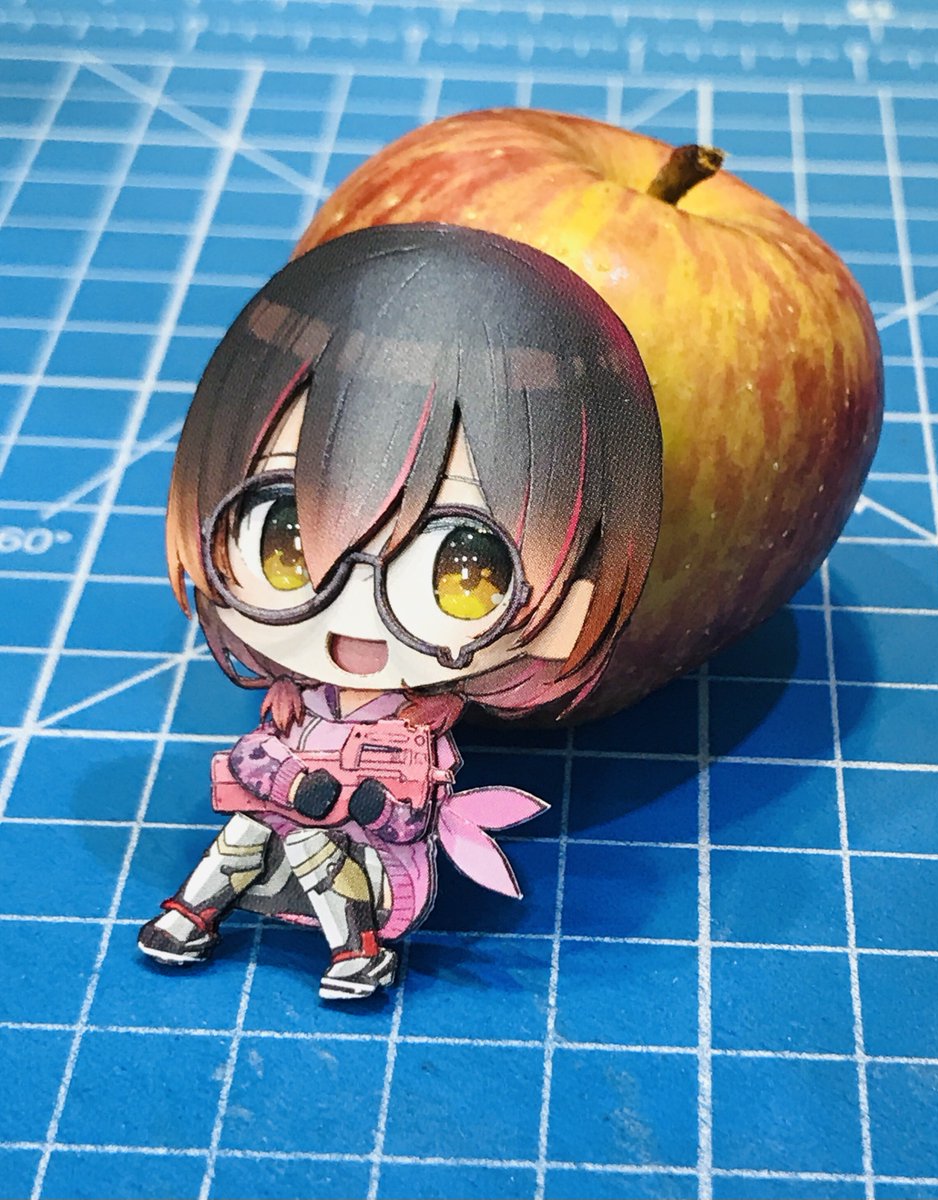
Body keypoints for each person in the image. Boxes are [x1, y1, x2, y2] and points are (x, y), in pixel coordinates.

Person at [137, 223, 663, 1000]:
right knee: (253, 828)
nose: (354, 618)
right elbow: (248, 770)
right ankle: (193, 913)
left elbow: (410, 823)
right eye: (285, 542)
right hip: (279, 861)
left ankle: (358, 952)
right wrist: (284, 781)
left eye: (464, 573)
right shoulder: (298, 707)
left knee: (311, 842)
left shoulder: (417, 735)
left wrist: (359, 802)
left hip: (383, 880)